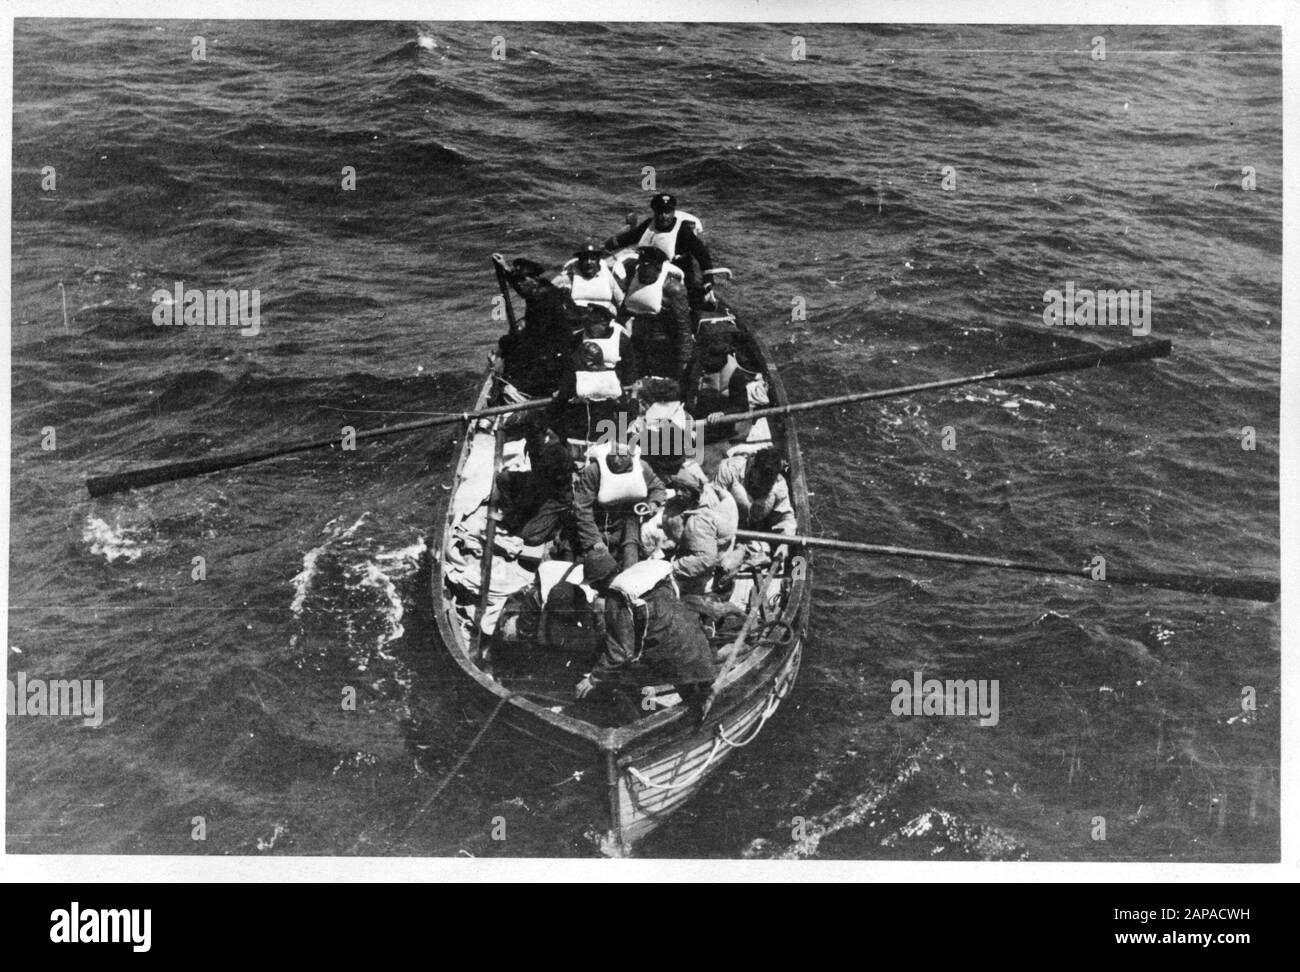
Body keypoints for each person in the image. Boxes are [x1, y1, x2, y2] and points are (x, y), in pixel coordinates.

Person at [575, 558, 717, 707]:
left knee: (623, 680)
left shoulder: (616, 595)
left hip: (670, 653)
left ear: (599, 581)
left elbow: (620, 651)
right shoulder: (645, 574)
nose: (593, 588)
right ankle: (700, 707)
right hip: (696, 642)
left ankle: (638, 721)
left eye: (593, 584)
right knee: (693, 685)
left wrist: (594, 678)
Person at [604, 193, 717, 307]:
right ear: (655, 212)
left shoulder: (683, 231)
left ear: (673, 212)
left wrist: (708, 278)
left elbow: (702, 254)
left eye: (667, 212)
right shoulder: (648, 225)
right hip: (644, 271)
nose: (664, 216)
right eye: (660, 212)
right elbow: (630, 237)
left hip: (669, 277)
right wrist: (610, 244)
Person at [572, 440, 667, 571]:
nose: (616, 461)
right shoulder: (594, 471)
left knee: (631, 553)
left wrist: (654, 503)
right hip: (597, 523)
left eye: (622, 456)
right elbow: (582, 508)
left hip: (626, 521)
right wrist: (594, 540)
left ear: (630, 455)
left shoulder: (641, 468)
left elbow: (658, 487)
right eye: (613, 455)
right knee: (592, 564)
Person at [496, 257, 580, 397]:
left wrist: (509, 342)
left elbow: (535, 335)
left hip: (553, 350)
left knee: (509, 348)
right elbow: (522, 288)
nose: (520, 285)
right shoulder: (540, 288)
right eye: (518, 281)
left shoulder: (544, 301)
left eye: (523, 280)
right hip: (547, 343)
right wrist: (507, 270)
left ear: (534, 279)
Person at [618, 246, 694, 388]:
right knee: (628, 385)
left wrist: (684, 361)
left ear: (658, 267)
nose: (642, 269)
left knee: (659, 387)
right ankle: (625, 410)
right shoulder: (633, 281)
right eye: (641, 264)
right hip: (637, 342)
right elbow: (623, 311)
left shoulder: (673, 289)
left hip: (662, 346)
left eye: (648, 266)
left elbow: (684, 327)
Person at [660, 466, 740, 596]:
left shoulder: (698, 521)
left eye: (684, 489)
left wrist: (672, 567)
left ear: (693, 491)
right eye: (677, 488)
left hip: (706, 576)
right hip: (704, 549)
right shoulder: (705, 494)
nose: (678, 493)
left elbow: (705, 559)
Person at [494, 423, 576, 547]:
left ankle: (557, 523)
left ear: (544, 435)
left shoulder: (557, 453)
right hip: (537, 482)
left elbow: (540, 487)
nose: (531, 441)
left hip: (556, 499)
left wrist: (520, 509)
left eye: (535, 438)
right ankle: (513, 517)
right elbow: (535, 480)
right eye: (528, 438)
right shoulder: (532, 444)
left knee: (529, 536)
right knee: (503, 478)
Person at [713, 448, 797, 537]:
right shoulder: (729, 469)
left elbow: (786, 517)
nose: (763, 484)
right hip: (724, 524)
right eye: (761, 479)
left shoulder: (778, 485)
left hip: (753, 529)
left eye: (768, 482)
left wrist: (784, 542)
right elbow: (712, 505)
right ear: (753, 465)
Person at [552, 244, 625, 316]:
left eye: (593, 259)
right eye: (585, 259)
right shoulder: (570, 276)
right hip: (580, 320)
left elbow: (620, 300)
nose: (589, 262)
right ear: (579, 261)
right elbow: (550, 291)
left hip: (605, 319)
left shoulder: (606, 275)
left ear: (598, 260)